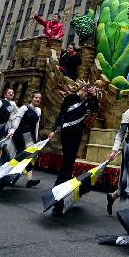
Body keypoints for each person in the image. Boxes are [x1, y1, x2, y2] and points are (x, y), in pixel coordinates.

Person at [46, 80, 101, 216]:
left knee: (69, 162)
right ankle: (58, 193)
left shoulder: (87, 102)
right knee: (68, 160)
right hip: (67, 132)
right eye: (85, 91)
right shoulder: (70, 98)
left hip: (77, 134)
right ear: (80, 90)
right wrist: (54, 129)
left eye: (87, 92)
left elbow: (95, 109)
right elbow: (61, 114)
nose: (85, 94)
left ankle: (62, 192)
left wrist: (94, 96)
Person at [0, 91, 43, 188]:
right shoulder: (24, 108)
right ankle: (4, 176)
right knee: (16, 157)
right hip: (20, 135)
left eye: (39, 98)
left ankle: (29, 179)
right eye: (36, 97)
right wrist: (11, 131)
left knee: (29, 157)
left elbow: (36, 126)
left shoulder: (39, 111)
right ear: (32, 98)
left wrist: (35, 139)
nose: (38, 99)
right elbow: (17, 120)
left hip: (29, 137)